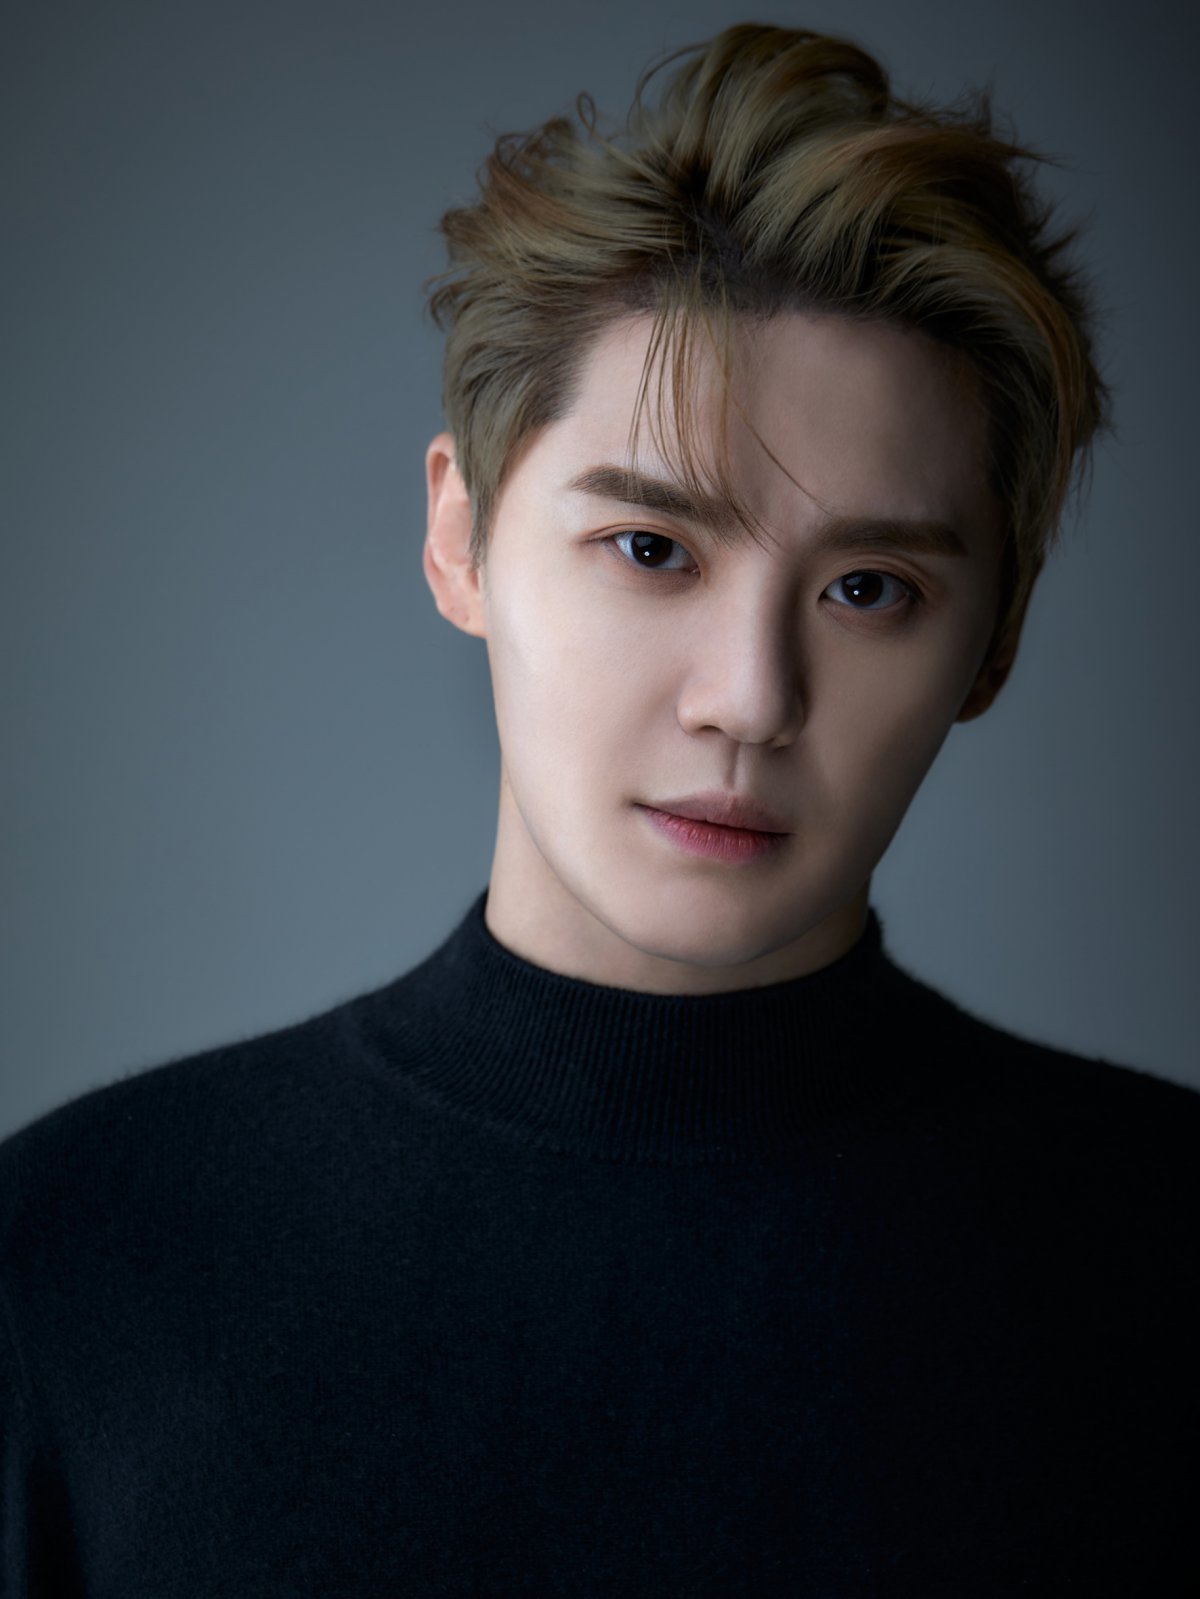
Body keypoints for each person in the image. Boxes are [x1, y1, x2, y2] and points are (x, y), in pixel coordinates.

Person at [1, 23, 1196, 1595]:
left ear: (995, 644)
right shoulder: (70, 1258)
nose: (750, 698)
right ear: (461, 538)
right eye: (651, 550)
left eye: (868, 588)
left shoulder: (1171, 1258)